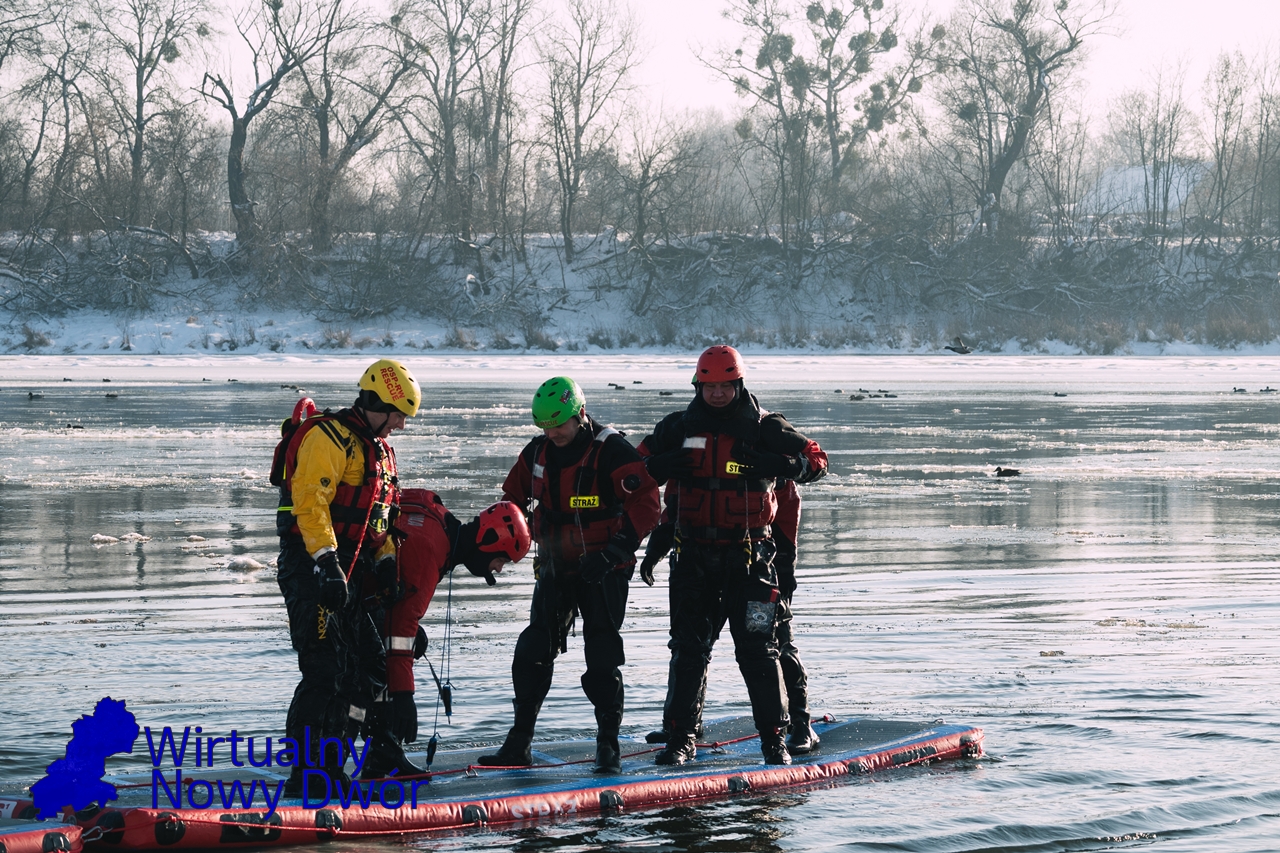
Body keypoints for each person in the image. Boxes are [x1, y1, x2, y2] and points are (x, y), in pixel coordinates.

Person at [637, 345, 827, 766]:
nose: (718, 394)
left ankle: (776, 739)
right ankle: (681, 738)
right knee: (688, 650)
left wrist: (784, 466)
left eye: (725, 386)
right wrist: (659, 467)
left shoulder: (766, 428)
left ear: (739, 384)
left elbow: (817, 460)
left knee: (760, 651)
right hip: (692, 559)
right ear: (698, 387)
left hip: (751, 561)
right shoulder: (677, 427)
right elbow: (629, 472)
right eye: (710, 387)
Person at [479, 376, 660, 774]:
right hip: (555, 566)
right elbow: (511, 504)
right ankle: (519, 742)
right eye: (545, 426)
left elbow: (647, 504)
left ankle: (608, 745)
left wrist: (613, 552)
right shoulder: (537, 453)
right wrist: (495, 550)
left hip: (604, 569)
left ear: (579, 414)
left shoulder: (613, 451)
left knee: (601, 656)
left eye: (559, 425)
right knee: (532, 651)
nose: (553, 433)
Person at [272, 358, 420, 797]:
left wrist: (387, 560)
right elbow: (310, 503)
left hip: (351, 572)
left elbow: (381, 518)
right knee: (324, 669)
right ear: (378, 403)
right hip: (311, 567)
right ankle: (306, 772)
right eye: (398, 415)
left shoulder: (381, 451)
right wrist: (326, 562)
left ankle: (340, 758)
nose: (400, 425)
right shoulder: (328, 439)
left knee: (370, 666)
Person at [638, 478, 819, 755]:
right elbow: (677, 498)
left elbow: (787, 503)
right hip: (697, 554)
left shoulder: (765, 454)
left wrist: (785, 564)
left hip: (757, 557)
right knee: (689, 645)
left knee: (774, 639)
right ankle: (685, 726)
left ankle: (800, 721)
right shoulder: (689, 453)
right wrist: (659, 544)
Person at [362, 491, 532, 780]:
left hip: (359, 594)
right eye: (501, 560)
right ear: (487, 543)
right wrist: (404, 696)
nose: (498, 569)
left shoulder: (439, 523)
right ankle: (336, 764)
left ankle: (381, 754)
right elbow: (400, 632)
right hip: (347, 600)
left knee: (403, 646)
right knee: (364, 677)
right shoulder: (430, 549)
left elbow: (400, 611)